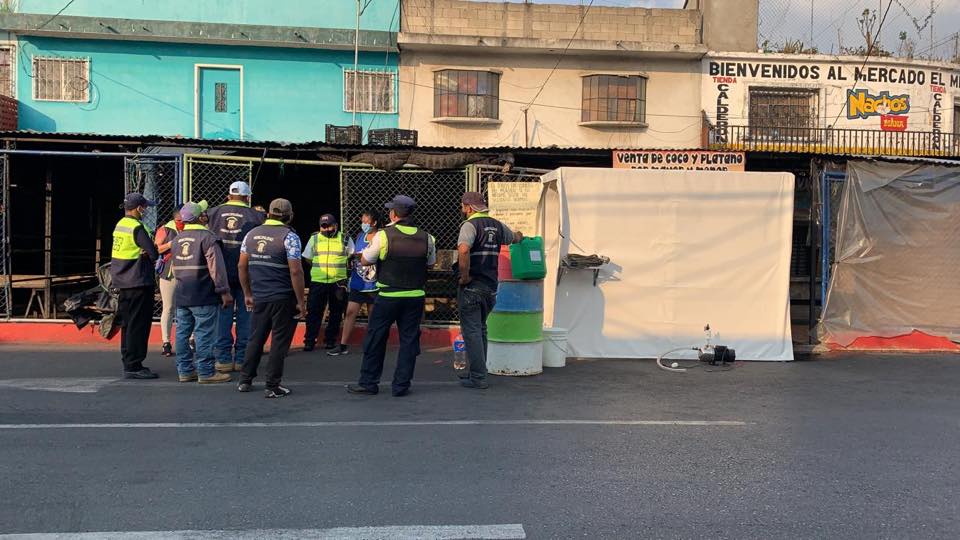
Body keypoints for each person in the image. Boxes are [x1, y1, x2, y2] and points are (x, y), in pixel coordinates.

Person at [347, 195, 436, 398]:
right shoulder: (427, 237)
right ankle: (401, 386)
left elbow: (366, 259)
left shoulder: (384, 235)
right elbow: (430, 264)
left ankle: (369, 383)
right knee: (409, 341)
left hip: (388, 295)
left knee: (376, 337)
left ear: (393, 214)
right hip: (415, 296)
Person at [237, 198, 306, 398]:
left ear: (268, 213)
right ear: (290, 216)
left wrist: (247, 293)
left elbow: (242, 266)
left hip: (259, 295)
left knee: (255, 338)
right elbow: (296, 271)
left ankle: (245, 380)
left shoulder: (251, 235)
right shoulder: (290, 237)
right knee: (279, 342)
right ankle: (272, 385)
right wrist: (301, 301)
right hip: (282, 296)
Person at [455, 192, 522, 390]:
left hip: (473, 286)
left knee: (472, 332)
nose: (462, 209)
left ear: (469, 207)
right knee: (481, 329)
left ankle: (477, 377)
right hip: (492, 286)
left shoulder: (470, 225)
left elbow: (464, 250)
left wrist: (465, 275)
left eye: (463, 206)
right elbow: (514, 238)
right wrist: (522, 236)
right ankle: (479, 372)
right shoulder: (498, 225)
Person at [171, 201, 234, 384]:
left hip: (183, 294)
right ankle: (206, 372)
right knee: (204, 334)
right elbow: (217, 268)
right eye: (204, 213)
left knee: (182, 333)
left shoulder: (177, 239)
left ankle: (184, 371)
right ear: (200, 217)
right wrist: (224, 291)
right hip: (203, 294)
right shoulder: (208, 238)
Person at [206, 181, 264, 373]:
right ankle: (241, 359)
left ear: (228, 195)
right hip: (246, 272)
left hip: (220, 273)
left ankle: (222, 359)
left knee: (222, 316)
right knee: (246, 316)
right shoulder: (256, 215)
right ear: (247, 197)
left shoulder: (213, 213)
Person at [111, 193, 160, 379]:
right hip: (138, 281)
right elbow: (154, 252)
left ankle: (128, 361)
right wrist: (147, 252)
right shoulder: (137, 227)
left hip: (124, 281)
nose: (145, 210)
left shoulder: (120, 224)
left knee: (128, 324)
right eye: (144, 207)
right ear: (139, 208)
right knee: (139, 325)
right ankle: (135, 365)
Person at [328, 210, 380, 356]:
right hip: (358, 282)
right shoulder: (360, 236)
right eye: (362, 221)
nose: (363, 224)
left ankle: (371, 345)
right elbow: (354, 254)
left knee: (373, 315)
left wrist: (365, 256)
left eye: (366, 222)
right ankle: (343, 344)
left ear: (374, 223)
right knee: (350, 312)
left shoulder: (380, 237)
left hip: (374, 283)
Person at [302, 214, 353, 352]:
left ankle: (330, 340)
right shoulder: (314, 238)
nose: (326, 229)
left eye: (328, 226)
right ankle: (309, 341)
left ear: (336, 225)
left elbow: (351, 256)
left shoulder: (345, 239)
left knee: (336, 312)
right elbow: (308, 258)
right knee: (313, 312)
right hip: (318, 281)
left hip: (338, 282)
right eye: (323, 226)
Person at [154, 206, 184, 357]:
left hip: (187, 272)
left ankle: (190, 340)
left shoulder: (192, 227)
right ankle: (166, 341)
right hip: (169, 272)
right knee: (169, 307)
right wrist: (171, 244)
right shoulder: (165, 229)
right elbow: (157, 249)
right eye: (180, 218)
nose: (182, 221)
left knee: (187, 307)